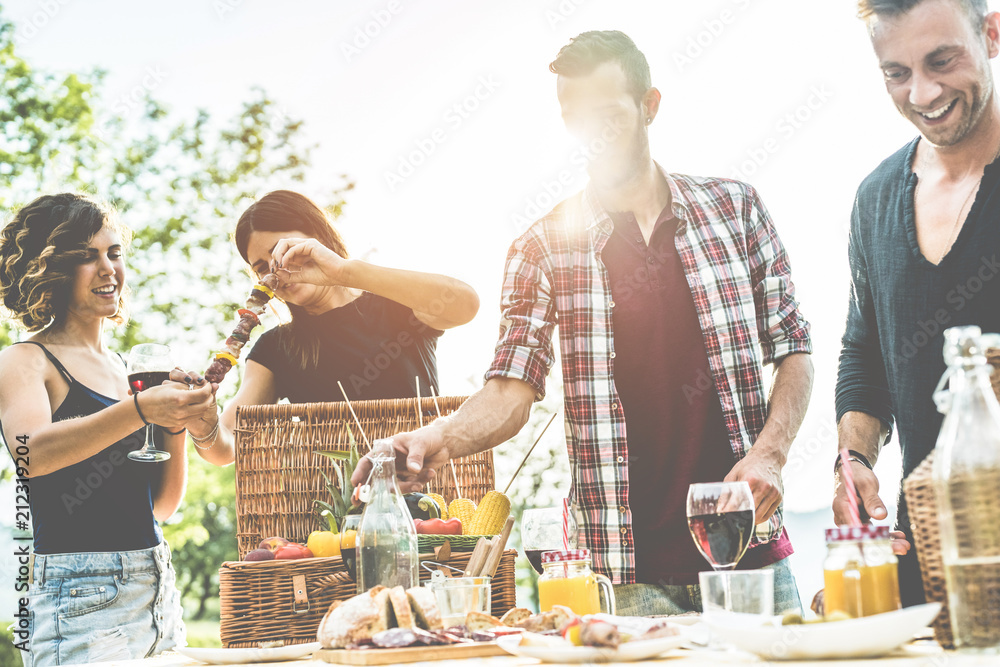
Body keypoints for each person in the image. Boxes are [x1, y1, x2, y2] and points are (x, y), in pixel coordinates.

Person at [353, 31, 814, 615]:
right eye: (575, 117)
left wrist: (771, 452)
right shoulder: (541, 246)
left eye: (609, 114)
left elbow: (794, 347)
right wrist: (432, 437)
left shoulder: (737, 210)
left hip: (750, 556)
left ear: (650, 105)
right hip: (622, 577)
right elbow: (509, 391)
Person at [0, 193, 222, 666]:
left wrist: (177, 423)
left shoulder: (127, 369)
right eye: (86, 257)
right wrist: (141, 410)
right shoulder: (25, 361)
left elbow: (160, 505)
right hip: (81, 597)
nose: (107, 268)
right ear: (50, 271)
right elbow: (30, 455)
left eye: (114, 253)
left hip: (157, 584)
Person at [834, 0, 1000, 607]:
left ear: (992, 32)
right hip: (923, 568)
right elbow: (866, 355)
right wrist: (853, 458)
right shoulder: (876, 196)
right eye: (895, 73)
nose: (923, 92)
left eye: (941, 60)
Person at [176, 190, 479, 462]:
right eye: (262, 268)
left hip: (422, 498)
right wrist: (202, 424)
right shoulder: (275, 348)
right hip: (330, 516)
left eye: (283, 250)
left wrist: (342, 271)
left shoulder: (396, 306)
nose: (277, 271)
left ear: (318, 238)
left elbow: (465, 304)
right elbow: (227, 444)